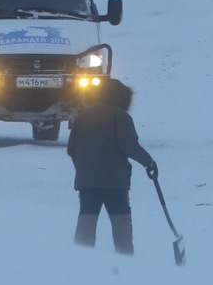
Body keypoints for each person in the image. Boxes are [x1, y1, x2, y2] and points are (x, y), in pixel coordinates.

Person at [66, 78, 157, 255]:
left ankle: (80, 258)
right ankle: (125, 258)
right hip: (115, 181)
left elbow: (71, 149)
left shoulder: (82, 117)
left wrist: (83, 168)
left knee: (86, 219)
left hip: (87, 180)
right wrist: (149, 162)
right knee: (120, 220)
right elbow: (130, 146)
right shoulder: (120, 116)